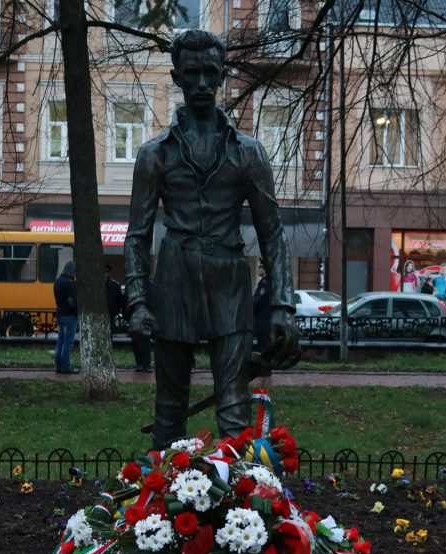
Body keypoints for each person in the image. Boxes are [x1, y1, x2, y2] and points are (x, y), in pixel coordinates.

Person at [124, 29, 300, 449]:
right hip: (174, 284)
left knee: (234, 411)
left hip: (229, 287)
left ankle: (241, 510)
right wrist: (136, 301)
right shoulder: (155, 155)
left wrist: (283, 305)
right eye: (192, 74)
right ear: (177, 77)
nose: (201, 84)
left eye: (210, 73)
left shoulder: (248, 152)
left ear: (222, 77)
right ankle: (158, 509)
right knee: (169, 410)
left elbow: (272, 231)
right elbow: (137, 234)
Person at [53, 261, 78, 374]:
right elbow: (71, 301)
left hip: (60, 314)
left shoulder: (57, 282)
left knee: (60, 341)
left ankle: (58, 365)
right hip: (69, 316)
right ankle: (66, 366)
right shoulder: (70, 283)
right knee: (68, 342)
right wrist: (76, 311)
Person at [252, 263, 272, 354]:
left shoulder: (265, 283)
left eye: (260, 268)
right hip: (261, 318)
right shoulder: (263, 282)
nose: (258, 270)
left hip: (263, 318)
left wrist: (251, 307)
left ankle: (265, 364)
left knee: (263, 343)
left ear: (264, 270)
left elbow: (261, 299)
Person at [104, 264, 124, 336]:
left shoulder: (115, 286)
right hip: (98, 314)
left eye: (106, 272)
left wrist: (115, 310)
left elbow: (120, 300)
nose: (104, 274)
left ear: (108, 273)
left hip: (110, 315)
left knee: (109, 335)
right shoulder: (96, 286)